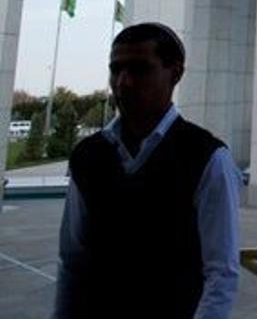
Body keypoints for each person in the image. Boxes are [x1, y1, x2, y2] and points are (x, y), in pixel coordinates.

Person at [54, 21, 241, 318]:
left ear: (175, 73)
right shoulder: (88, 155)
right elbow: (72, 260)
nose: (124, 82)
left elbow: (221, 273)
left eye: (140, 69)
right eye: (116, 69)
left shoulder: (207, 157)